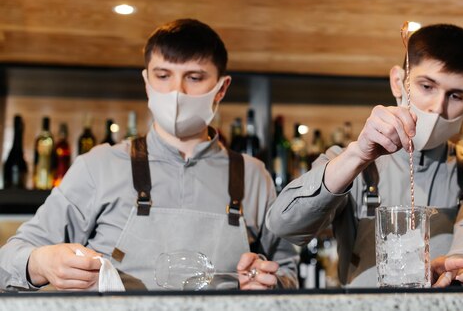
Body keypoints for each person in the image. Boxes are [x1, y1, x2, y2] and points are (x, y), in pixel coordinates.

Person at [0, 19, 298, 291]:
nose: (176, 92)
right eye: (163, 75)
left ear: (221, 89)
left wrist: (271, 282)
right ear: (147, 82)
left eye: (194, 78)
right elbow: (7, 261)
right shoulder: (97, 167)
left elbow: (288, 273)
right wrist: (40, 262)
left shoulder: (254, 175)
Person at [266, 23, 463, 288]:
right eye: (427, 86)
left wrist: (460, 265)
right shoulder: (346, 162)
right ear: (398, 82)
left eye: (455, 96)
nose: (437, 108)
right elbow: (284, 225)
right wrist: (358, 154)